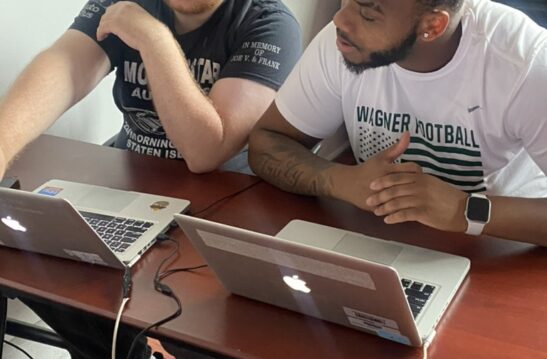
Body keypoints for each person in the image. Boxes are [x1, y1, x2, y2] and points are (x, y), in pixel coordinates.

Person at [0, 0, 301, 358]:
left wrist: (153, 37)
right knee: (36, 272)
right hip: (131, 192)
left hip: (220, 211)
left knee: (196, 332)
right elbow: (66, 66)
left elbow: (206, 150)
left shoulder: (269, 22)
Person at [249, 0, 547, 246]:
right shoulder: (342, 42)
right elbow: (266, 142)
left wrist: (464, 210)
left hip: (503, 249)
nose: (341, 19)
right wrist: (338, 181)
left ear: (432, 26)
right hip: (383, 242)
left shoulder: (525, 63)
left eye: (367, 13)